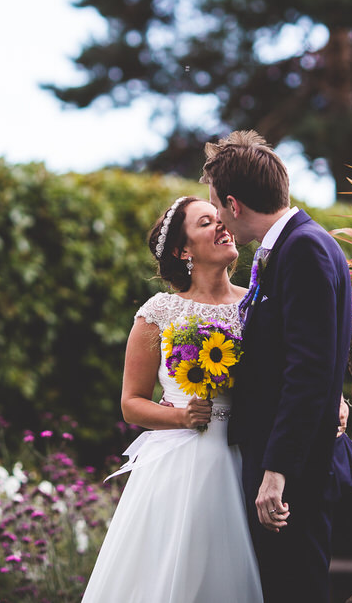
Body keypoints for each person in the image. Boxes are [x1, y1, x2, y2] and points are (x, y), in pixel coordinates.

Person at [202, 130, 352, 603]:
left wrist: (276, 472)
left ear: (233, 204)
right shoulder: (291, 246)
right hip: (288, 462)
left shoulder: (304, 249)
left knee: (294, 589)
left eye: (216, 206)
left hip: (294, 474)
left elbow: (307, 370)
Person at [81, 196, 263, 602]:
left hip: (245, 459)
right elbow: (131, 403)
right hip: (180, 465)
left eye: (221, 219)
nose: (222, 226)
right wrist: (182, 416)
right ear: (184, 251)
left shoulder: (256, 303)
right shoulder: (159, 312)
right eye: (206, 223)